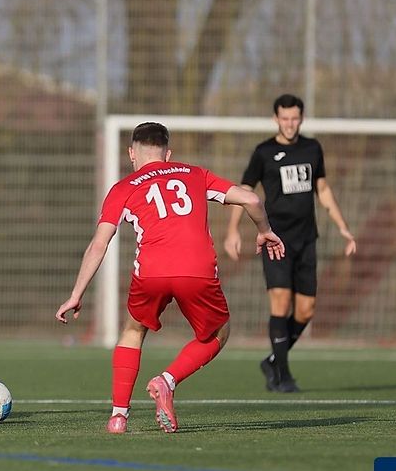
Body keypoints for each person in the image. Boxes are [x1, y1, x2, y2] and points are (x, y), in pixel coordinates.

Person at [56, 122, 284, 434]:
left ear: (131, 153)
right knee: (218, 332)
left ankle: (118, 417)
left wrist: (76, 293)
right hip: (197, 269)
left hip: (151, 271)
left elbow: (99, 243)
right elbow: (252, 200)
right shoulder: (195, 174)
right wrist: (264, 230)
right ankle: (167, 380)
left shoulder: (123, 188)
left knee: (133, 330)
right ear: (168, 153)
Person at [223, 94, 356, 393]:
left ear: (302, 118)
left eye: (295, 118)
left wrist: (343, 227)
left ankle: (272, 360)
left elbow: (322, 189)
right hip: (275, 238)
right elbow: (244, 190)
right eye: (285, 118)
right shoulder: (264, 152)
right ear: (276, 119)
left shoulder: (312, 148)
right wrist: (233, 230)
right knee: (281, 303)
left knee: (306, 311)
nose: (290, 124)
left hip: (307, 239)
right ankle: (282, 375)